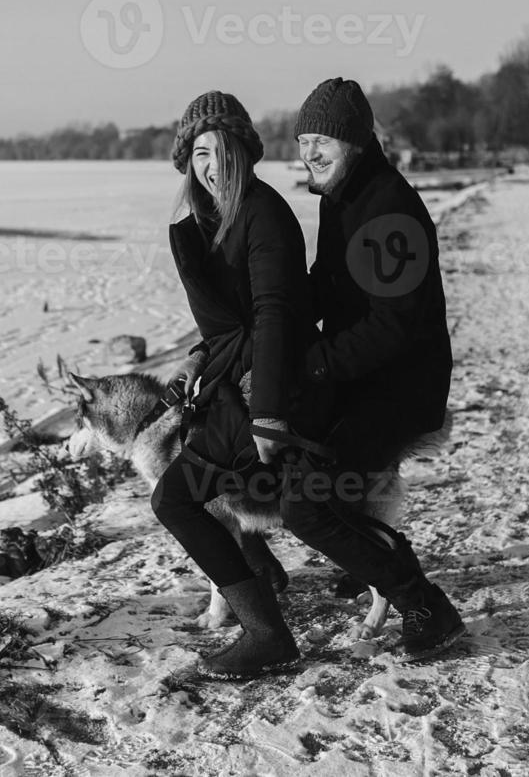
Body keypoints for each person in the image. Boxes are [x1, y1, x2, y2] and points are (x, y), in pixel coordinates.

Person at [279, 76, 467, 661]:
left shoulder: (387, 210)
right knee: (304, 479)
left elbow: (392, 327)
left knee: (306, 502)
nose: (309, 152)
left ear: (356, 142)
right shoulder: (343, 198)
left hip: (399, 388)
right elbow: (326, 288)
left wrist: (312, 366)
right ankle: (371, 563)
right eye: (303, 139)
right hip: (361, 379)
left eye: (323, 141)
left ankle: (423, 604)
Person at [150, 90, 320, 679]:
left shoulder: (262, 212)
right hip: (233, 376)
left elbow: (273, 313)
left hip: (261, 386)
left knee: (176, 498)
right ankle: (264, 607)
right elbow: (230, 318)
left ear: (245, 153)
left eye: (223, 151)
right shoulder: (212, 217)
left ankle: (267, 632)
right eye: (199, 152)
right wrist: (199, 356)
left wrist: (267, 412)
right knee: (189, 499)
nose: (211, 164)